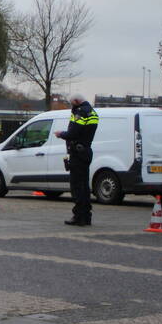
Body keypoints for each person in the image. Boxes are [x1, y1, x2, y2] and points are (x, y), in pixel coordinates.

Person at [54, 93, 99, 226]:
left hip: (78, 153)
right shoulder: (92, 112)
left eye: (71, 103)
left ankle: (78, 216)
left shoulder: (80, 112)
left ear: (76, 101)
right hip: (86, 150)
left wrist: (61, 134)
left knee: (77, 186)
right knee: (84, 186)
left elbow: (74, 132)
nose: (71, 106)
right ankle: (86, 215)